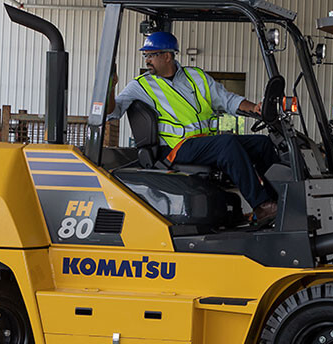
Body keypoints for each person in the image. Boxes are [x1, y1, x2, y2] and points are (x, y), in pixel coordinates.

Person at [107, 31, 279, 225]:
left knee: (263, 144)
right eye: (145, 55)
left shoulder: (196, 76)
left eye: (151, 55)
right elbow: (113, 111)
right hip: (175, 148)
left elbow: (227, 99)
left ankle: (278, 200)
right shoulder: (140, 86)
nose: (147, 60)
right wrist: (110, 87)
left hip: (201, 144)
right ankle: (261, 206)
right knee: (225, 144)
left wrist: (254, 108)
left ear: (167, 56)